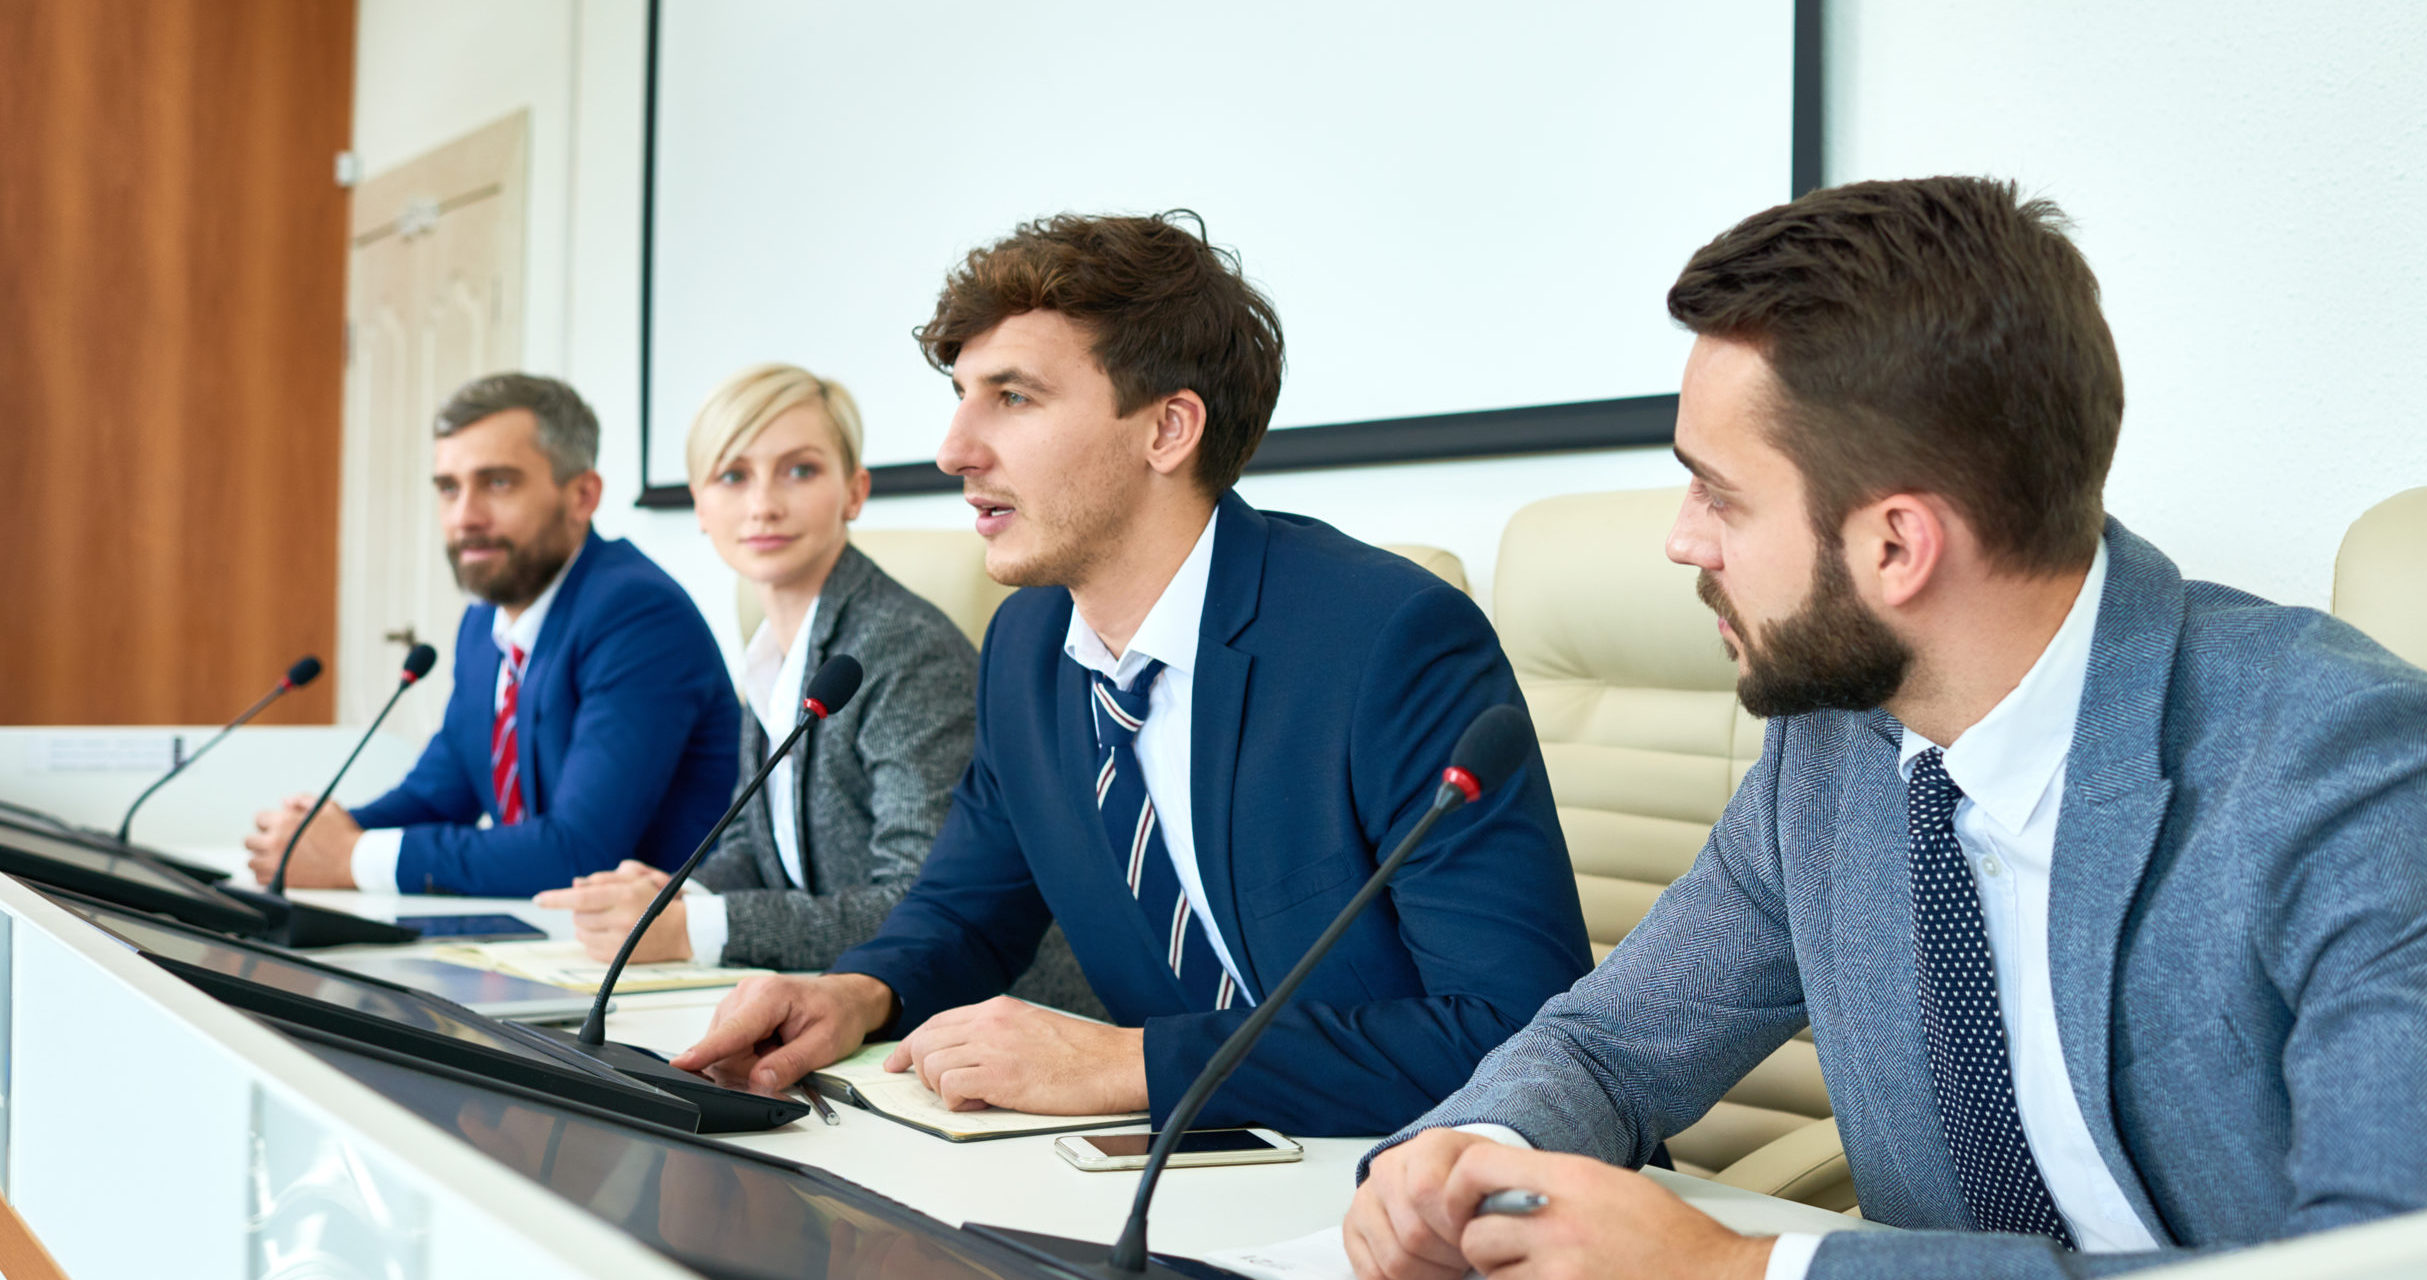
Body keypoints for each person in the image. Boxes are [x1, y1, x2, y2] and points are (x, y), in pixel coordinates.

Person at [1345, 177, 2427, 1279]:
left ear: (1895, 544)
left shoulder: (2348, 767)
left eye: (1718, 490)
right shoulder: (1833, 749)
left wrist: (1743, 1270)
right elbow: (1613, 1046)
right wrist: (1466, 1152)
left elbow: (2419, 1264)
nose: (1681, 538)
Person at [670, 212, 1592, 1138]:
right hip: (1194, 1176)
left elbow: (1513, 1032)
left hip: (1451, 1180)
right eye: (961, 395)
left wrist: (1129, 1061)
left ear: (1168, 429)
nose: (954, 450)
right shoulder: (1027, 647)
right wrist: (856, 994)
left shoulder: (1387, 640)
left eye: (1014, 398)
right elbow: (965, 911)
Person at [531, 363, 1096, 1013]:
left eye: (800, 471)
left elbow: (918, 904)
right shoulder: (772, 649)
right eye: (732, 476)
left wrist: (700, 928)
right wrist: (674, 897)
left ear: (854, 493)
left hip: (994, 1022)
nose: (763, 504)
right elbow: (754, 850)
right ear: (700, 506)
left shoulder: (901, 649)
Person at [245, 374, 739, 897]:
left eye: (498, 483)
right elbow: (440, 794)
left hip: (656, 958)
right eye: (449, 488)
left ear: (582, 496)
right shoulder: (484, 623)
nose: (465, 517)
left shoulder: (637, 615)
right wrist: (320, 835)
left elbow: (579, 852)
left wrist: (353, 857)